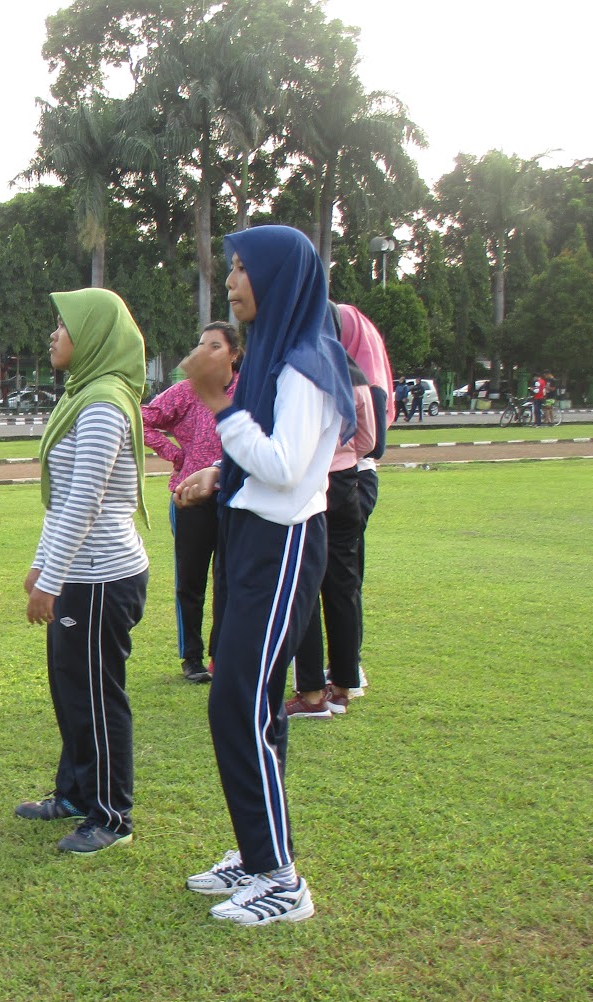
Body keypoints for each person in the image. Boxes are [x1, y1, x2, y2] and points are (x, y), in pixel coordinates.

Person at [174, 224, 353, 926]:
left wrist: (217, 403)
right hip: (255, 534)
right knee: (253, 702)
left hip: (282, 546)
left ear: (279, 278)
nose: (233, 283)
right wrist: (219, 472)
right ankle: (257, 855)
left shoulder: (306, 360)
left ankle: (281, 878)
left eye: (244, 270)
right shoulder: (280, 354)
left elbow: (285, 467)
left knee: (237, 701)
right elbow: (276, 456)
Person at [13, 289, 150, 853]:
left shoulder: (102, 405)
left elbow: (86, 501)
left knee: (96, 695)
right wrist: (42, 564)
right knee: (71, 689)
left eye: (64, 325)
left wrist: (52, 578)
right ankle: (74, 792)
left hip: (101, 575)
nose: (54, 334)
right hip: (79, 570)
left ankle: (111, 815)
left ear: (93, 336)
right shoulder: (82, 396)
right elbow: (61, 496)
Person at [285, 306, 379, 719]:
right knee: (342, 587)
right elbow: (369, 440)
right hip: (345, 485)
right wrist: (340, 457)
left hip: (310, 486)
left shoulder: (300, 370)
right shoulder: (354, 372)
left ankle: (310, 694)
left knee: (304, 588)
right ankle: (343, 685)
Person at [143, 323, 238, 683]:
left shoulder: (247, 390)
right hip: (189, 499)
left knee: (228, 580)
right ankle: (192, 658)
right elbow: (144, 417)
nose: (205, 351)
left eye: (215, 346)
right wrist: (175, 454)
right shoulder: (186, 392)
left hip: (235, 496)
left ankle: (221, 655)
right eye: (201, 345)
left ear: (233, 354)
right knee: (191, 582)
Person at [338, 304, 393, 696]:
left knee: (345, 578)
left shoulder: (363, 380)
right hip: (337, 478)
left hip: (354, 480)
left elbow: (376, 446)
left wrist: (337, 452)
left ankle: (348, 665)